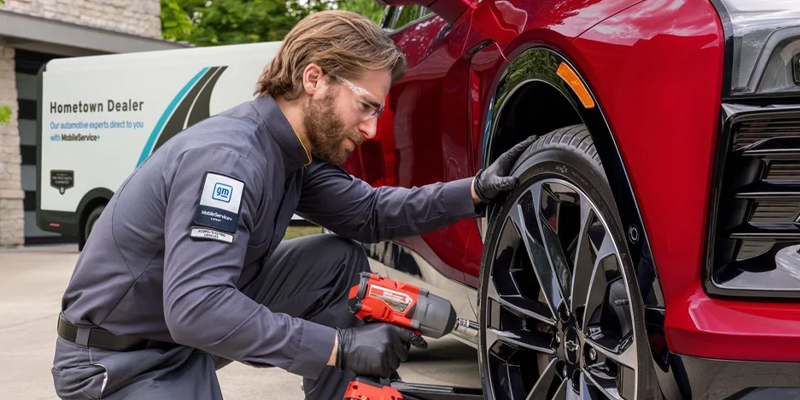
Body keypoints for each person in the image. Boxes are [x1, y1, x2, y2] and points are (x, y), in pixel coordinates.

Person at [51, 10, 536, 400]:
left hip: (179, 338)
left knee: (335, 259)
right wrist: (339, 346)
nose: (371, 129)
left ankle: (349, 394)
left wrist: (473, 191)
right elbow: (196, 308)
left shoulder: (293, 155)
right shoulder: (231, 160)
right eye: (366, 105)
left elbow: (368, 214)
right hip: (119, 363)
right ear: (313, 79)